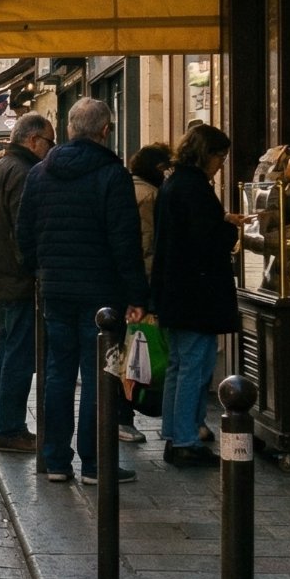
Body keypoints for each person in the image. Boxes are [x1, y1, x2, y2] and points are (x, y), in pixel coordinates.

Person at [17, 97, 150, 486]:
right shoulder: (112, 174)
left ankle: (56, 459)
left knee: (58, 373)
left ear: (70, 129)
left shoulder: (40, 174)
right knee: (100, 376)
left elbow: (24, 235)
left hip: (56, 291)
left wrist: (40, 271)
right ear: (105, 131)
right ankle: (95, 463)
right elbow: (125, 242)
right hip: (102, 298)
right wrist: (138, 296)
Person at [154, 124, 239, 469]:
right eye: (220, 157)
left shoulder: (175, 183)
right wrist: (229, 227)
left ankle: (174, 434)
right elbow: (206, 240)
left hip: (176, 291)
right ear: (206, 154)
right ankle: (186, 440)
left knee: (179, 365)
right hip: (196, 293)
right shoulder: (194, 187)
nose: (221, 164)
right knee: (194, 365)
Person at [0, 113, 53, 454]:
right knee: (19, 355)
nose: (51, 150)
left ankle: (4, 426)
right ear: (33, 139)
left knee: (8, 352)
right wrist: (35, 269)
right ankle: (9, 428)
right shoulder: (24, 173)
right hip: (15, 280)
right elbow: (24, 230)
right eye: (49, 142)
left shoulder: (1, 168)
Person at [121, 141, 174, 444]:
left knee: (128, 351)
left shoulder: (127, 187)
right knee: (138, 351)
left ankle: (124, 415)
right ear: (158, 168)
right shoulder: (151, 195)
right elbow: (146, 246)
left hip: (127, 282)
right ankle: (126, 416)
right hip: (142, 283)